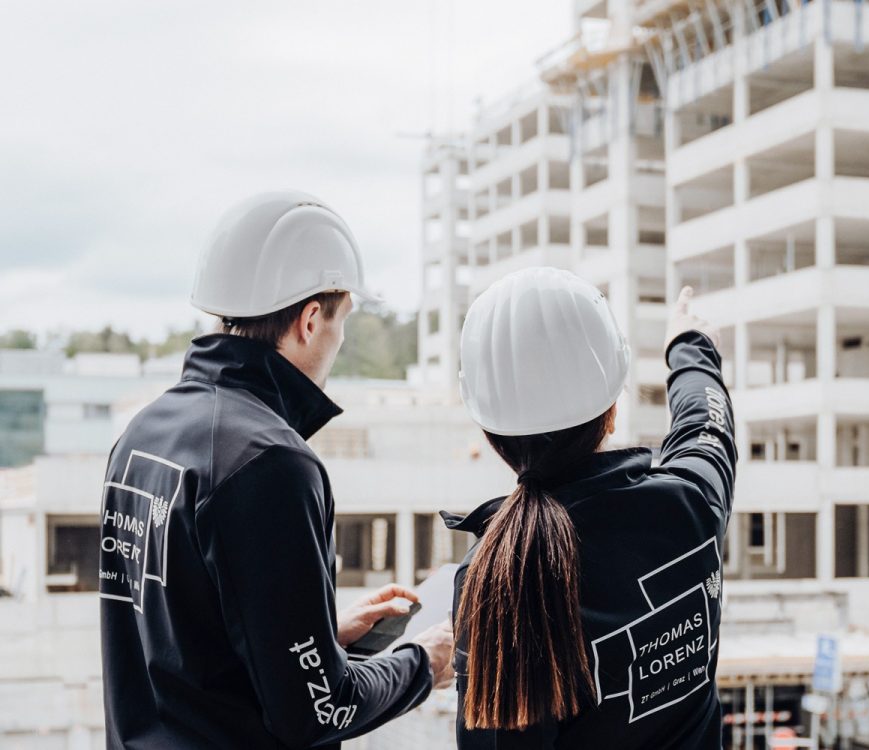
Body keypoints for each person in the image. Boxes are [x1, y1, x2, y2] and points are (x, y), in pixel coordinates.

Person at [99, 191, 455, 748]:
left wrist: (318, 638)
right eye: (343, 325)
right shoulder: (270, 463)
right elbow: (320, 711)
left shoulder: (143, 436)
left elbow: (183, 655)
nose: (339, 343)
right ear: (311, 320)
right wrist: (422, 664)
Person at [442, 267, 735, 749]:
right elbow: (707, 428)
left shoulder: (497, 576)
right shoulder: (688, 505)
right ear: (612, 411)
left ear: (490, 434)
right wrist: (691, 345)